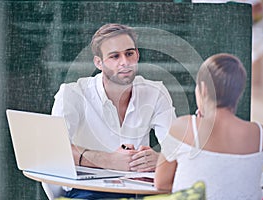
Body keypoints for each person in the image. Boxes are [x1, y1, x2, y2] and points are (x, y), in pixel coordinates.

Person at [51, 23, 176, 199]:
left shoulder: (155, 92)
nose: (125, 62)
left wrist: (160, 160)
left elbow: (176, 151)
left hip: (139, 191)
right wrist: (109, 160)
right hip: (88, 191)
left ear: (137, 55)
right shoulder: (72, 94)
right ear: (99, 63)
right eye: (115, 56)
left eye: (129, 53)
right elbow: (54, 149)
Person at [154, 53, 263, 199]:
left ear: (203, 89)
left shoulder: (183, 127)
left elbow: (161, 183)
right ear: (239, 92)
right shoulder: (259, 133)